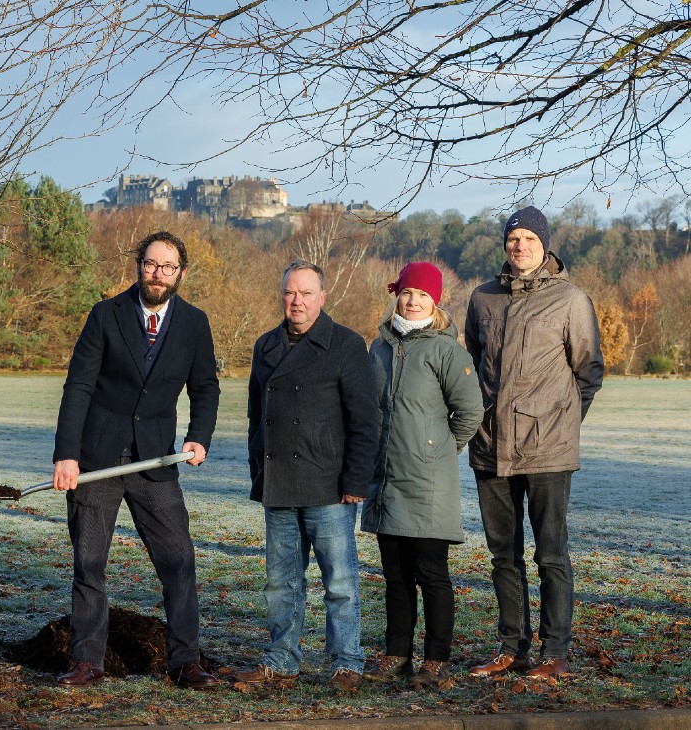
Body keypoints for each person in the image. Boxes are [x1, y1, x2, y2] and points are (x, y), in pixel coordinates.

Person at [51, 230, 221, 690]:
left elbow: (205, 387)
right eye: (150, 264)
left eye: (167, 267)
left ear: (181, 272)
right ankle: (87, 661)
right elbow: (79, 387)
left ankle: (185, 662)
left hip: (156, 462)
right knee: (89, 564)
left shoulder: (194, 323)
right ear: (138, 265)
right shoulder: (105, 315)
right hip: (97, 461)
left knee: (179, 561)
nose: (158, 274)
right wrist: (67, 455)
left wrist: (198, 437)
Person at [464, 206, 604, 681]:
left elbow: (589, 371)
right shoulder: (483, 298)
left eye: (528, 238)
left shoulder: (570, 299)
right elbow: (474, 363)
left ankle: (555, 652)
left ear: (545, 245)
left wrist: (563, 422)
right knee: (503, 554)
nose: (519, 245)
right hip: (490, 446)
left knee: (550, 553)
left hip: (548, 449)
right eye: (512, 238)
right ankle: (512, 648)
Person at [238, 260, 379, 692]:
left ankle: (347, 663)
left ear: (322, 296)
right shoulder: (265, 346)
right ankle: (281, 661)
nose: (296, 301)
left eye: (305, 293)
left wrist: (356, 483)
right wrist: (259, 470)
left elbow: (365, 421)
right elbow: (255, 418)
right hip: (279, 484)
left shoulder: (346, 345)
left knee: (339, 582)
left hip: (329, 486)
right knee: (280, 583)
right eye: (289, 293)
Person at [360, 262, 484, 689]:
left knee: (431, 575)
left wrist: (440, 448)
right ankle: (397, 654)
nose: (413, 301)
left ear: (436, 302)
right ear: (397, 295)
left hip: (429, 483)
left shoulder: (446, 351)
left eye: (423, 295)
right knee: (395, 576)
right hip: (386, 479)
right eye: (408, 292)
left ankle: (436, 659)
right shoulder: (378, 348)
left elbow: (470, 411)